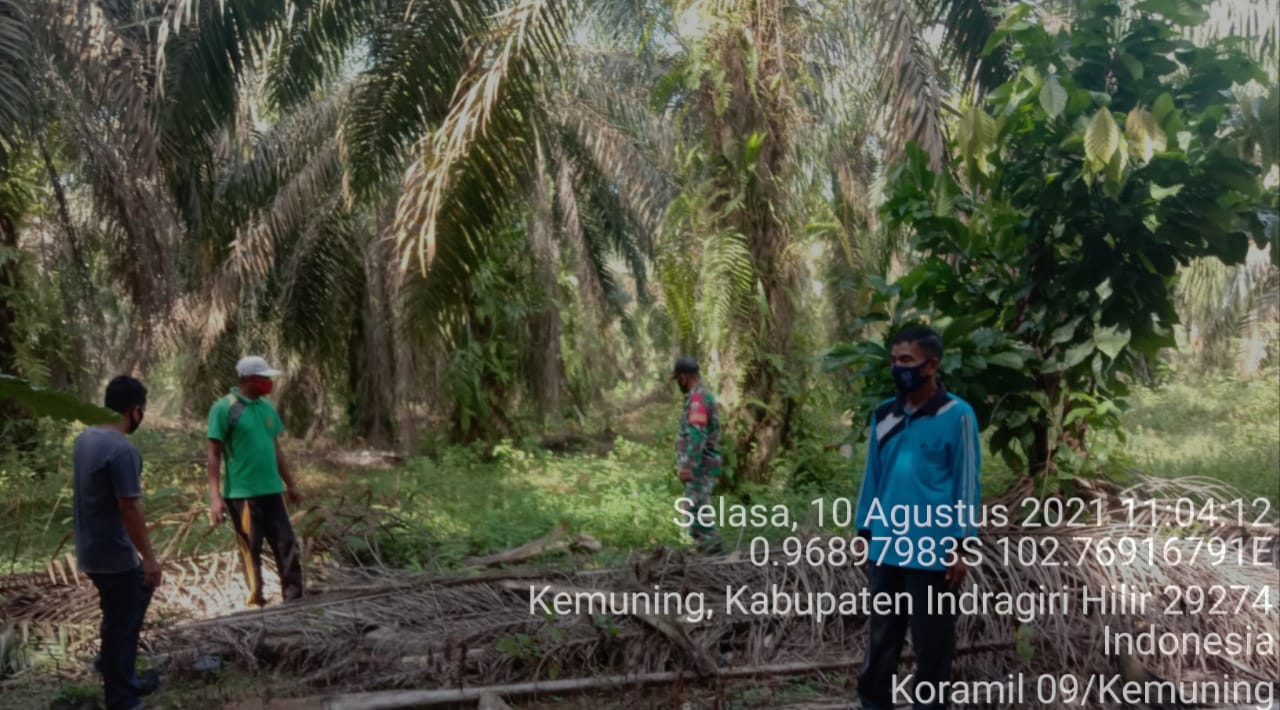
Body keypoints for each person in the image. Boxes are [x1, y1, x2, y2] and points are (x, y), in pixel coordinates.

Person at [854, 326, 981, 710]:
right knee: (881, 642)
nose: (898, 367)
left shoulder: (958, 415)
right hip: (886, 549)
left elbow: (967, 482)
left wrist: (960, 545)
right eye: (894, 360)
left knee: (933, 648)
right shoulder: (884, 415)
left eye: (907, 360)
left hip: (933, 553)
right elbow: (872, 478)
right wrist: (864, 533)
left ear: (931, 365)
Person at [72, 376, 162, 710]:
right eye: (142, 409)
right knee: (125, 619)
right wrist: (149, 558)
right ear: (134, 410)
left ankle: (117, 670)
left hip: (90, 548)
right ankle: (122, 697)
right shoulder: (122, 450)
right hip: (114, 552)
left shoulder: (85, 439)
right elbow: (130, 507)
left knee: (119, 615)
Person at [206, 356, 304, 607]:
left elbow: (275, 448)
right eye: (264, 378)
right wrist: (215, 498)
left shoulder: (266, 408)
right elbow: (214, 454)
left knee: (286, 542)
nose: (269, 382)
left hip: (272, 490)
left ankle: (294, 598)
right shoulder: (224, 408)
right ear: (249, 379)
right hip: (242, 494)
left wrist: (290, 484)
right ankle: (256, 599)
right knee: (251, 547)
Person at [672, 356, 724, 555]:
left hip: (700, 467)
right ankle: (709, 554)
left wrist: (688, 466)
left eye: (678, 380)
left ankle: (714, 556)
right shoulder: (702, 396)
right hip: (702, 465)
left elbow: (697, 434)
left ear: (683, 377)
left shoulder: (697, 400)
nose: (678, 384)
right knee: (696, 512)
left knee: (696, 514)